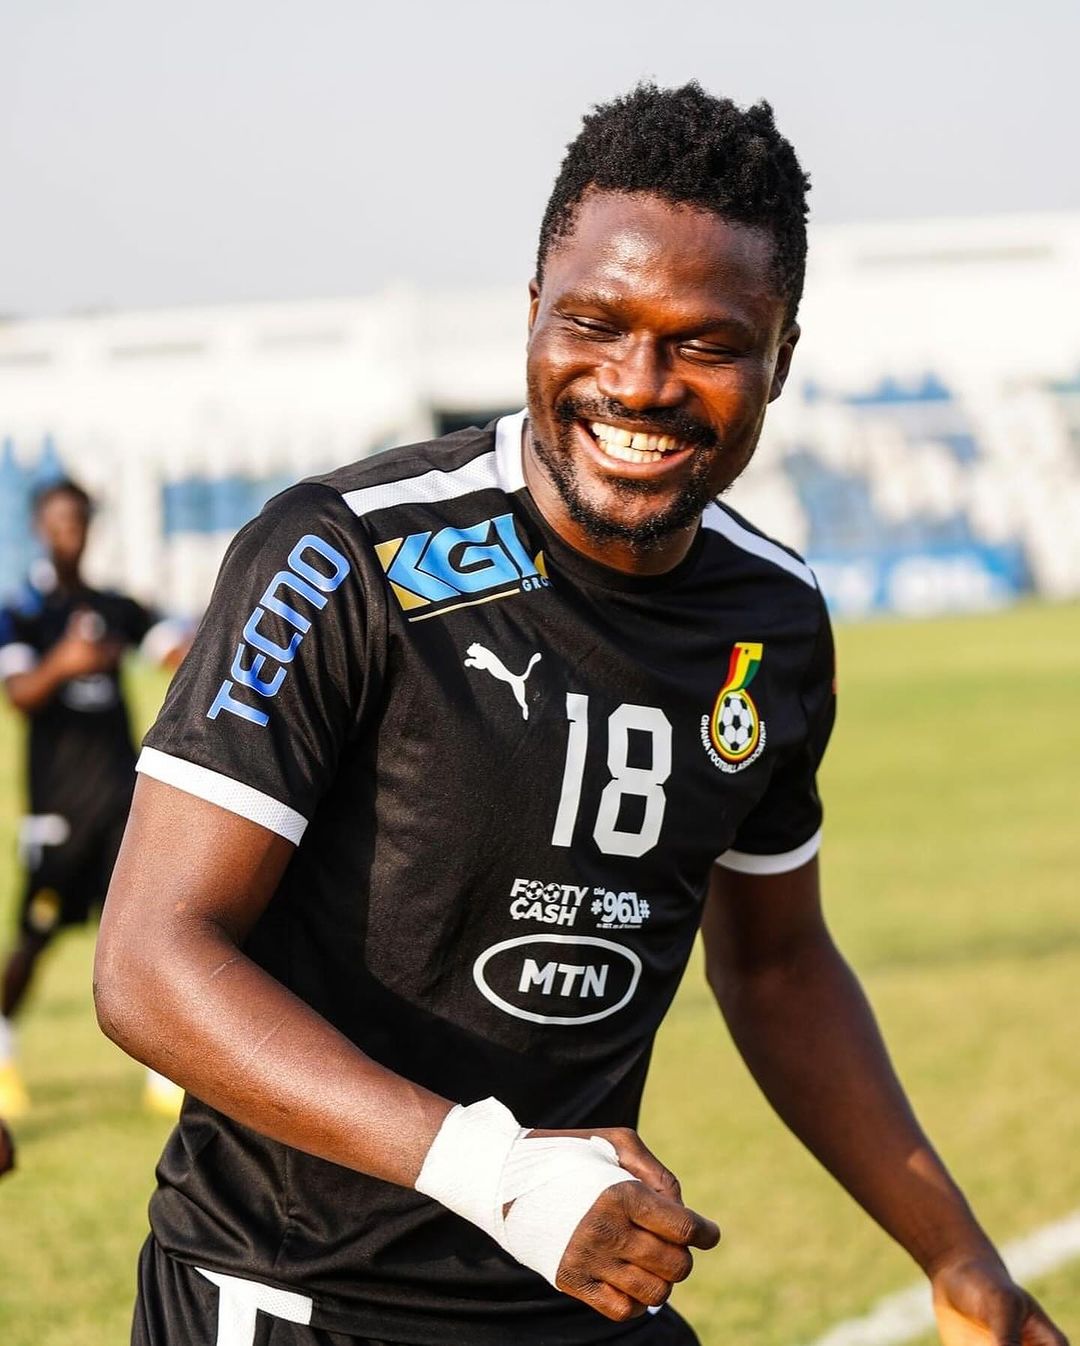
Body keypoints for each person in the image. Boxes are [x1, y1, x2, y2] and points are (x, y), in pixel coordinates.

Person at [94, 84, 1066, 1346]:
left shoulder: (771, 617)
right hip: (297, 1298)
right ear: (533, 313)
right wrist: (505, 1175)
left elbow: (777, 965)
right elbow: (150, 961)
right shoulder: (343, 555)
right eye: (596, 324)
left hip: (576, 1291)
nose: (638, 383)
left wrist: (960, 1257)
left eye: (706, 343)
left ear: (782, 355)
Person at [0, 478, 187, 1118]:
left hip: (123, 806)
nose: (69, 533)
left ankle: (166, 1073)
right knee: (34, 939)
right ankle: (3, 1051)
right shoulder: (23, 612)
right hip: (58, 810)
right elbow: (19, 693)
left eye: (78, 521)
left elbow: (175, 646)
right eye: (58, 522)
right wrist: (65, 662)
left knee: (145, 934)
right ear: (39, 527)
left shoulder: (114, 605)